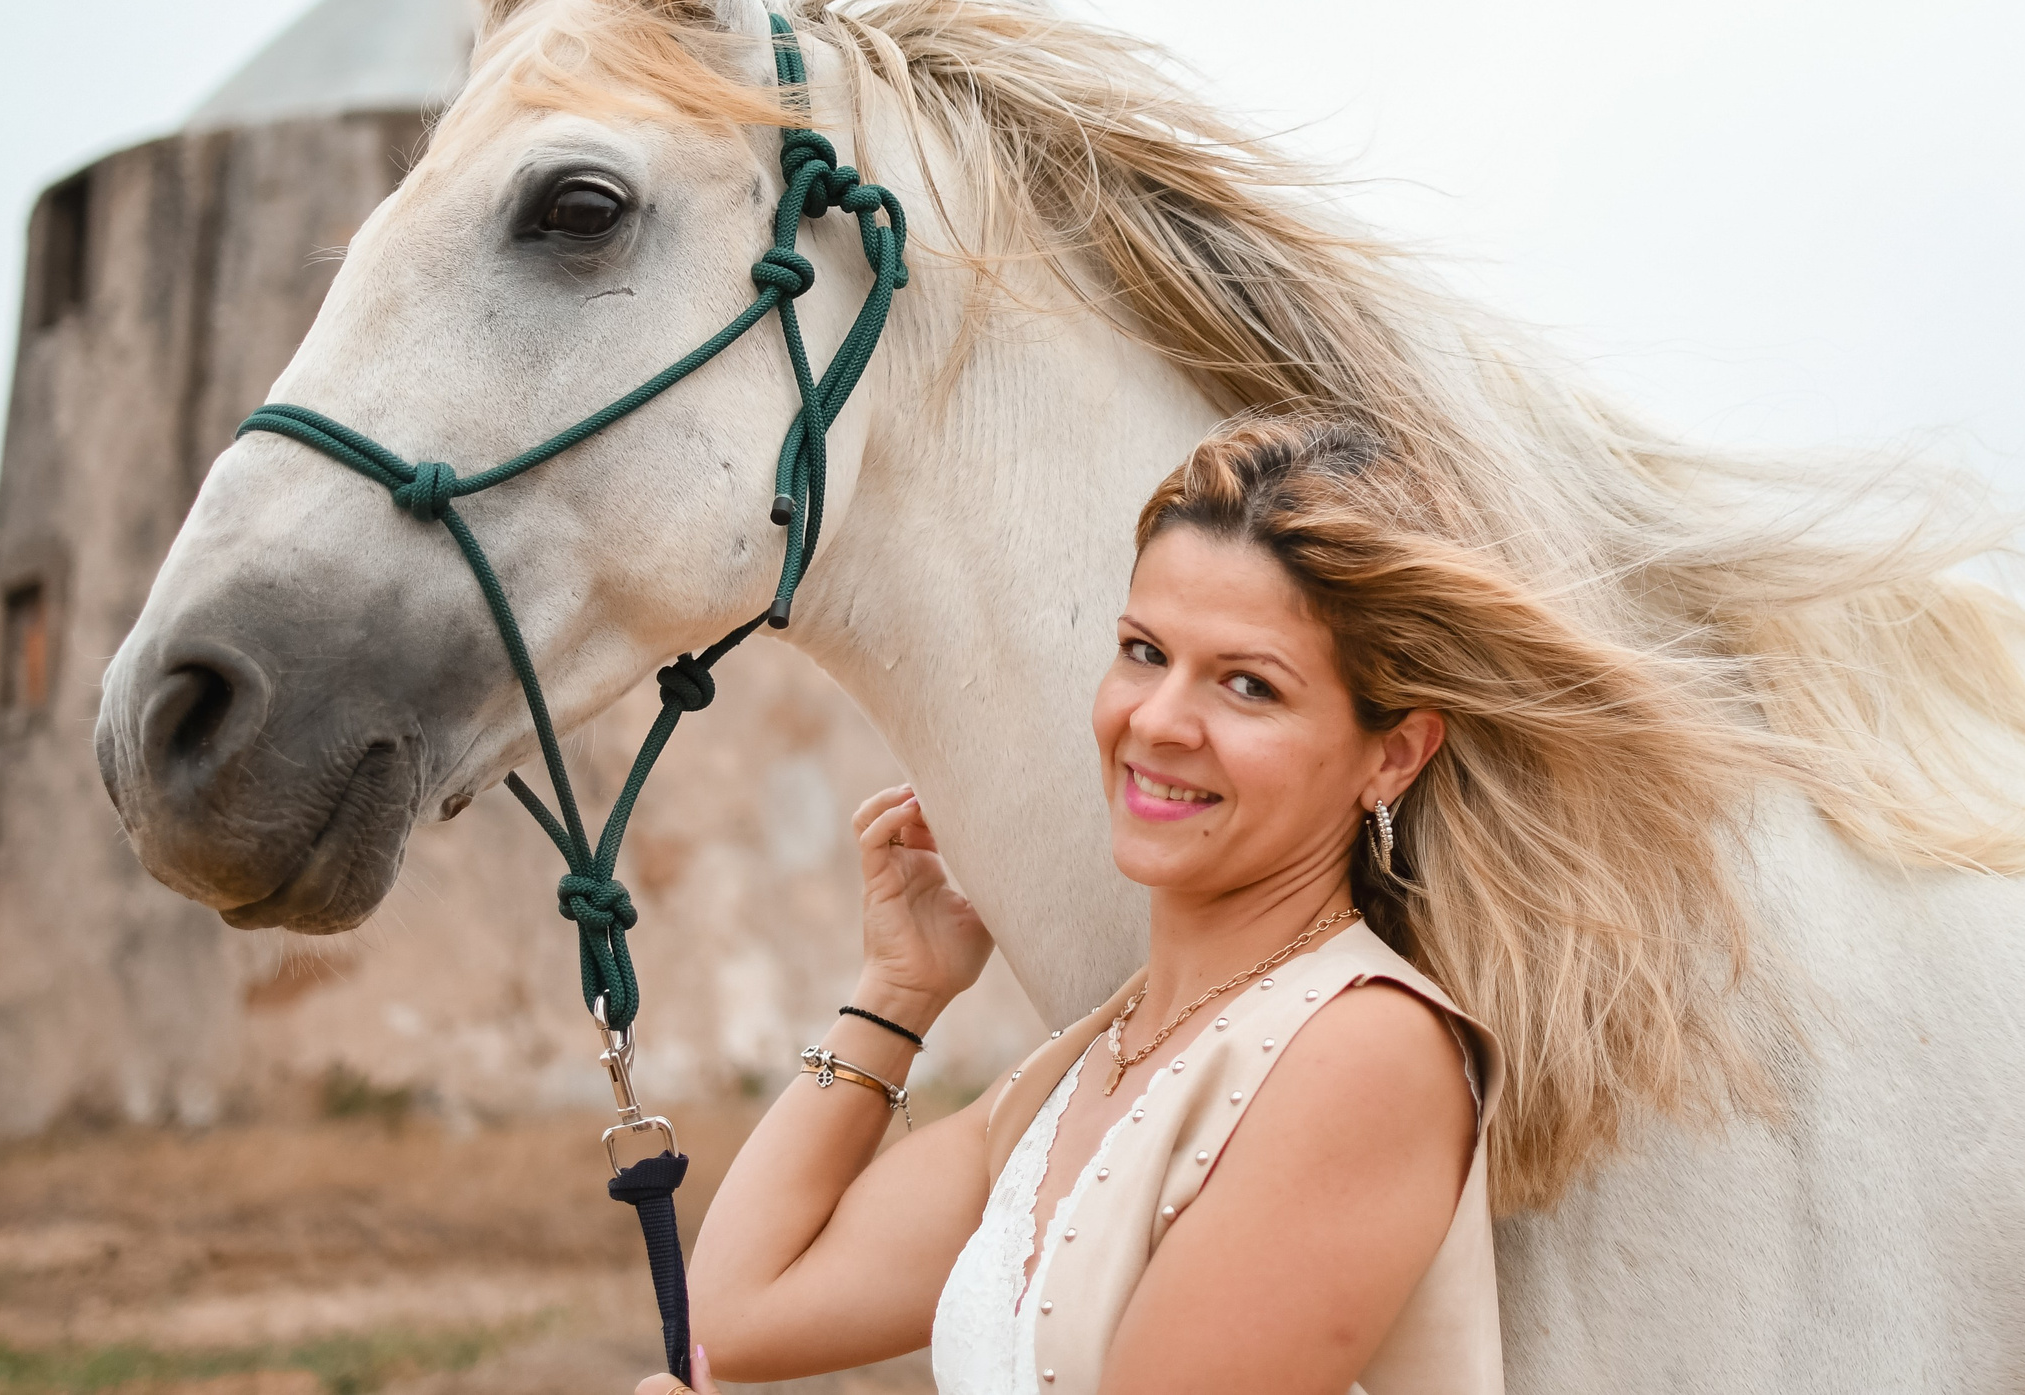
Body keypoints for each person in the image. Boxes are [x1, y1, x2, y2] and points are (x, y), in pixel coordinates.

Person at [648, 410, 1765, 1394]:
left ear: (1392, 756)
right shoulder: (1083, 1066)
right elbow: (740, 1317)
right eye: (1144, 652)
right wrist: (897, 993)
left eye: (1248, 685)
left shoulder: (1365, 1054)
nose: (1159, 721)